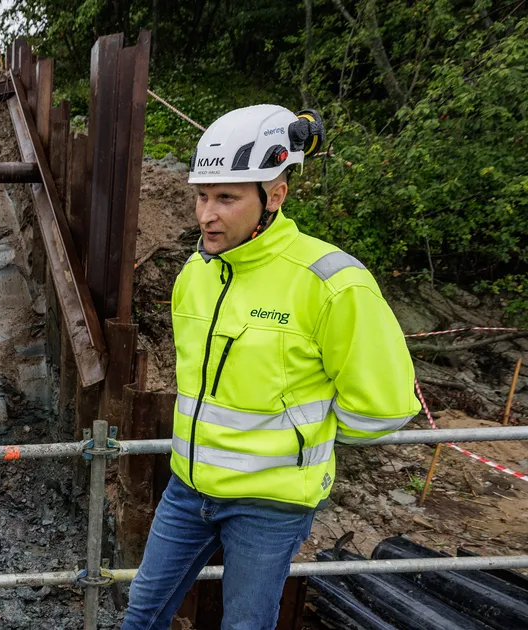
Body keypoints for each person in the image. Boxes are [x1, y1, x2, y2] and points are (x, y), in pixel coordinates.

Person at [120, 105, 420, 629]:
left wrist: (300, 442)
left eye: (227, 198)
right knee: (141, 612)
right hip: (188, 488)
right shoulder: (196, 273)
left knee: (246, 625)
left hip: (270, 504)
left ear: (275, 196)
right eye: (202, 196)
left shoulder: (330, 282)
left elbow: (383, 408)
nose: (206, 215)